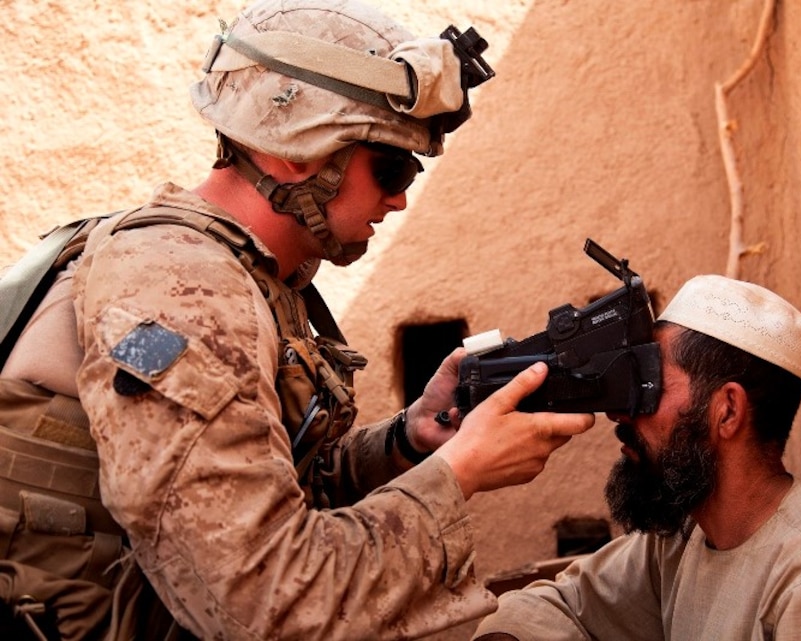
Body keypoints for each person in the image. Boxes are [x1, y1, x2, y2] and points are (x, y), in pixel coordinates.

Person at [0, 1, 595, 639]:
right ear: (296, 151)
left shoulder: (248, 274)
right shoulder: (185, 292)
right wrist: (462, 473)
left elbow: (269, 492)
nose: (398, 198)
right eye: (389, 168)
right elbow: (260, 601)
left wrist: (408, 441)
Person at [472, 275, 801, 641]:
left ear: (727, 411)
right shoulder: (685, 537)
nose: (620, 410)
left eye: (647, 384)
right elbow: (560, 603)